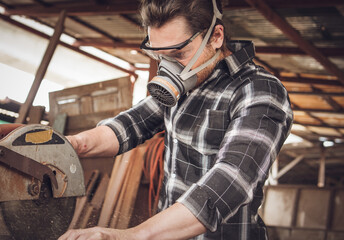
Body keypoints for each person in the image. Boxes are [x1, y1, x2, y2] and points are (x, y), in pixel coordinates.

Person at [59, 0, 293, 239]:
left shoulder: (260, 92)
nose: (168, 67)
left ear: (216, 37)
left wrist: (129, 236)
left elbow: (230, 182)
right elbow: (131, 124)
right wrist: (71, 145)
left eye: (179, 53)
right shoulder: (184, 84)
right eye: (160, 55)